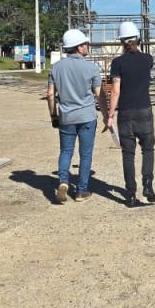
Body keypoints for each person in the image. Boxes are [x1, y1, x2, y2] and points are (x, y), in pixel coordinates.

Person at [47, 29, 103, 203]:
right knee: (85, 154)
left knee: (66, 151)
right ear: (79, 47)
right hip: (87, 116)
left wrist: (54, 115)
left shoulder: (56, 68)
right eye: (85, 44)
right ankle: (81, 191)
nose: (88, 46)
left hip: (66, 117)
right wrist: (108, 114)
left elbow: (50, 94)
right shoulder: (91, 67)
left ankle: (63, 181)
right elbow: (99, 94)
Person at [106, 21, 155, 207]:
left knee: (128, 154)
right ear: (138, 39)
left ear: (121, 41)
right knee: (148, 149)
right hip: (145, 111)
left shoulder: (117, 63)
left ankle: (130, 194)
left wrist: (110, 115)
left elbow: (116, 91)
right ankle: (148, 185)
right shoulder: (148, 59)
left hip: (126, 113)